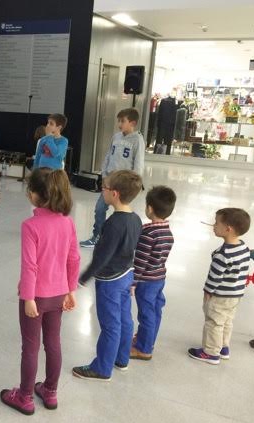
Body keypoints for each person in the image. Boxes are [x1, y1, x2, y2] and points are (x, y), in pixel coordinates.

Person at [0, 168, 79, 416]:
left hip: (36, 297)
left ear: (34, 194)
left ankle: (24, 397)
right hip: (59, 294)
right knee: (54, 342)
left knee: (31, 347)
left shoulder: (30, 225)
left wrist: (29, 297)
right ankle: (50, 391)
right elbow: (73, 258)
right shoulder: (68, 223)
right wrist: (71, 290)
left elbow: (30, 265)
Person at [72, 170, 143, 381]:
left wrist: (83, 278)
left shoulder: (113, 224)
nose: (101, 191)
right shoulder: (136, 219)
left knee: (110, 325)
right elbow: (133, 250)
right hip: (127, 274)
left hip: (110, 281)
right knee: (124, 319)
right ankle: (121, 358)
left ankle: (102, 368)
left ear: (115, 194)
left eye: (104, 187)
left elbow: (102, 257)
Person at [188, 208, 251, 364]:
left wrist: (208, 291)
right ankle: (223, 347)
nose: (213, 226)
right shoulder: (243, 247)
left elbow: (215, 277)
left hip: (220, 296)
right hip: (235, 295)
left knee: (214, 322)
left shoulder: (223, 254)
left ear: (228, 229)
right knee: (226, 321)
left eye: (216, 223)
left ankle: (210, 352)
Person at [80, 108, 145, 248]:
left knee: (121, 212)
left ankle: (122, 240)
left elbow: (139, 163)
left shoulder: (138, 140)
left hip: (124, 183)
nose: (119, 124)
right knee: (99, 208)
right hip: (110, 180)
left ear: (132, 123)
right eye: (118, 121)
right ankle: (97, 236)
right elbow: (108, 156)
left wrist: (135, 183)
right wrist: (104, 175)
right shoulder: (116, 137)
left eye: (123, 121)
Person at [130, 186, 176, 360]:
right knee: (155, 311)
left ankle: (143, 348)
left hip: (146, 281)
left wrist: (133, 282)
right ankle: (148, 339)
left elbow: (140, 262)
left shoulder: (149, 234)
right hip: (159, 278)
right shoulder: (167, 232)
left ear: (149, 208)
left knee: (146, 314)